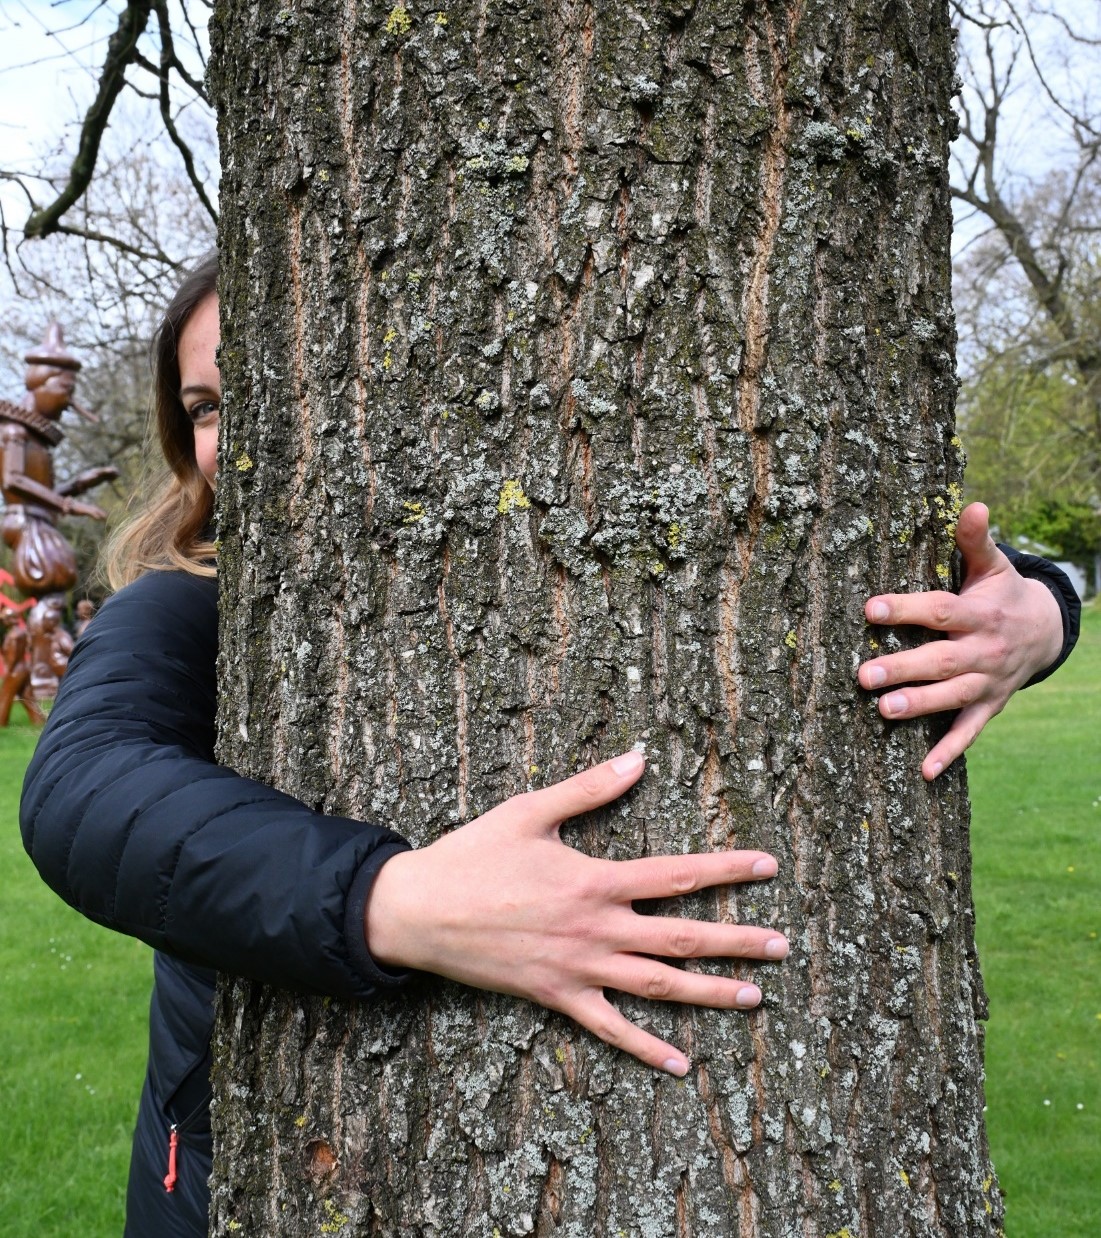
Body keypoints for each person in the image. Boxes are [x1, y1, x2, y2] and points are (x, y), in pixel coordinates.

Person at [19, 252, 1079, 1237]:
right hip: (219, 1179)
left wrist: (1039, 615)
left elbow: (962, 560)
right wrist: (387, 900)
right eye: (206, 407)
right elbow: (81, 789)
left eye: (255, 389)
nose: (232, 435)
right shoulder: (187, 597)